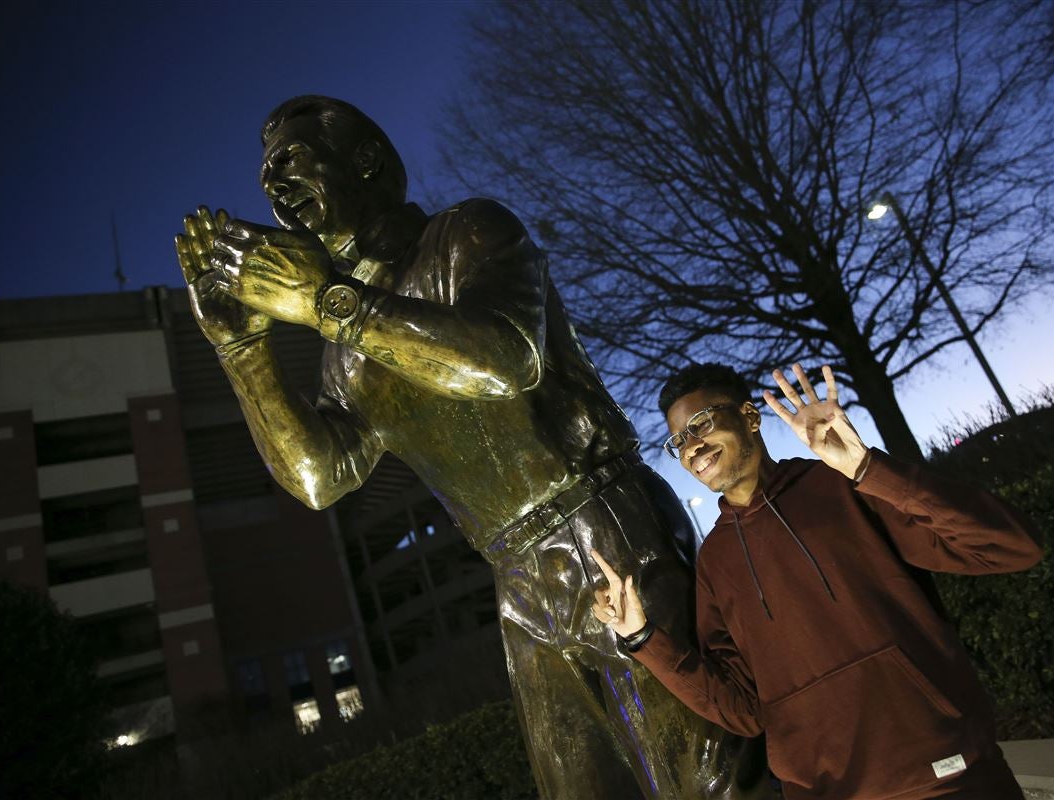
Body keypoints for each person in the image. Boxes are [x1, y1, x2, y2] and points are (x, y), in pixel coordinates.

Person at [174, 96, 770, 800]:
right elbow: (318, 479)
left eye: (292, 164)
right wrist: (239, 349)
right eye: (266, 179)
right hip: (517, 579)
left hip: (605, 524)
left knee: (710, 779)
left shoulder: (467, 233)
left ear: (363, 162)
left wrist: (327, 302)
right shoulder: (341, 356)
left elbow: (505, 359)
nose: (274, 187)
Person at [591, 361, 1042, 799]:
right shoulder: (715, 562)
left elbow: (1010, 546)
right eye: (678, 440)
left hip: (947, 779)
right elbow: (743, 709)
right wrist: (643, 637)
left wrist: (867, 469)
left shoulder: (845, 487)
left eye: (702, 424)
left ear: (749, 416)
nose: (691, 446)